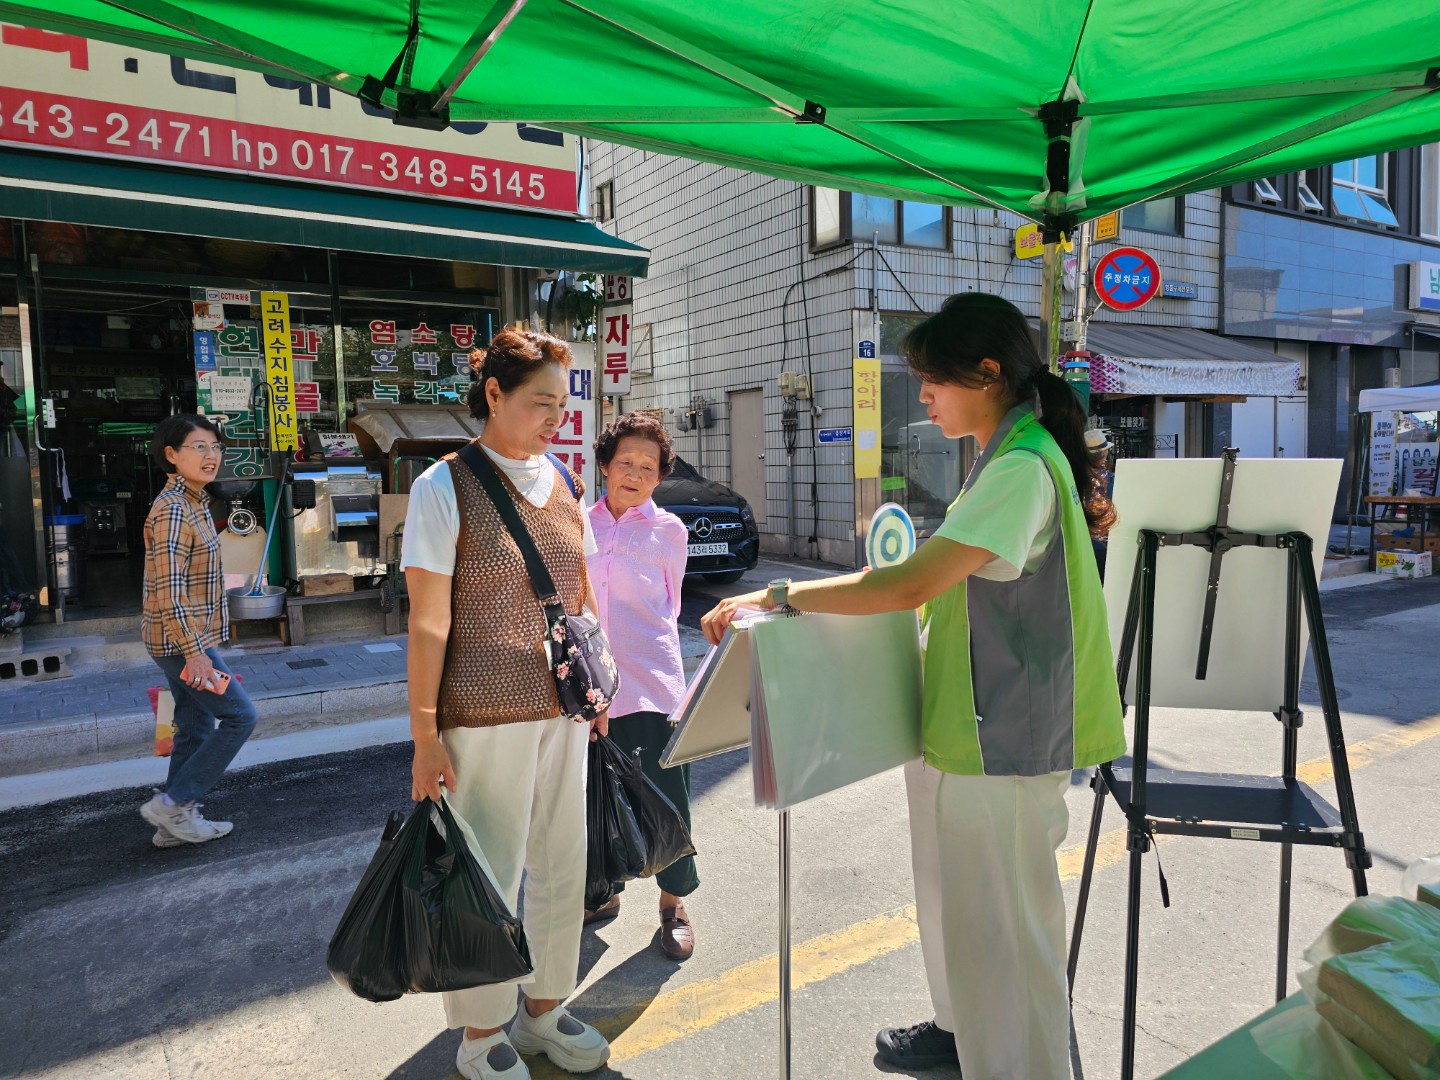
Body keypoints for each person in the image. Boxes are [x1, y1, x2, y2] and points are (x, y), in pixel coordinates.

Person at [702, 293, 1126, 1080]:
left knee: (1007, 940)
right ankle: (966, 1041)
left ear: (987, 373)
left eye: (934, 379)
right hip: (977, 726)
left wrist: (781, 594)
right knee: (977, 924)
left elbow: (909, 585)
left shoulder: (1020, 467)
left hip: (1005, 736)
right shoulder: (1005, 456)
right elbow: (924, 585)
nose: (924, 396)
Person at [404, 328, 611, 1080]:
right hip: (482, 714)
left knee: (563, 861)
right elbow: (428, 623)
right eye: (540, 402)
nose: (557, 417)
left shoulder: (565, 482)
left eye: (563, 404)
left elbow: (582, 593)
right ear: (494, 393)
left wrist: (600, 685)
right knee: (487, 873)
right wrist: (425, 736)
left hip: (564, 710)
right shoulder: (443, 486)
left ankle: (543, 1010)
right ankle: (481, 1032)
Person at [584, 412, 697, 959]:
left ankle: (674, 904)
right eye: (625, 461)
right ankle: (603, 891)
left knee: (667, 796)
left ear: (660, 476)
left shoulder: (669, 531)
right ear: (605, 465)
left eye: (647, 467)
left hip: (653, 681)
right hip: (590, 687)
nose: (634, 474)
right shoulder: (580, 524)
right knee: (595, 793)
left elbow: (670, 606)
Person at [138, 413, 258, 847]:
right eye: (199, 447)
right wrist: (195, 652)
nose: (211, 456)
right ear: (171, 455)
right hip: (179, 641)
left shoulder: (195, 503)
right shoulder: (173, 510)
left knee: (194, 724)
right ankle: (174, 803)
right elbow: (169, 591)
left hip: (182, 638)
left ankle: (174, 824)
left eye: (215, 447)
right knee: (240, 716)